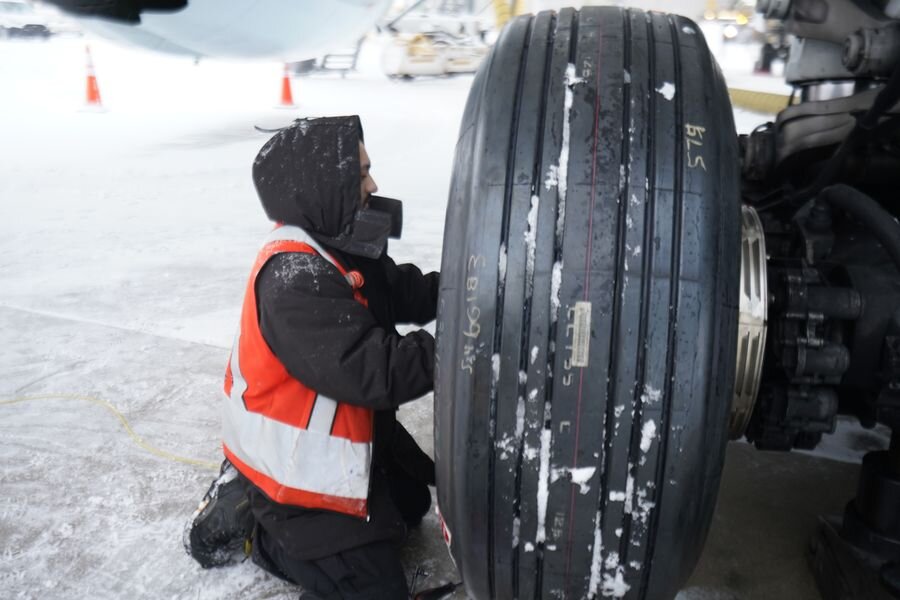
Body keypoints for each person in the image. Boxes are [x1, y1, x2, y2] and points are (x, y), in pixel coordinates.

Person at [184, 115, 439, 600]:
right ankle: (256, 532)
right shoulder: (294, 277)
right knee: (374, 589)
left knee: (408, 508)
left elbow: (406, 290)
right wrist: (461, 348)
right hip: (293, 475)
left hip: (334, 447)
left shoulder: (338, 242)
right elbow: (375, 370)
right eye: (361, 174)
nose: (374, 184)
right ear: (327, 184)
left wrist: (474, 291)